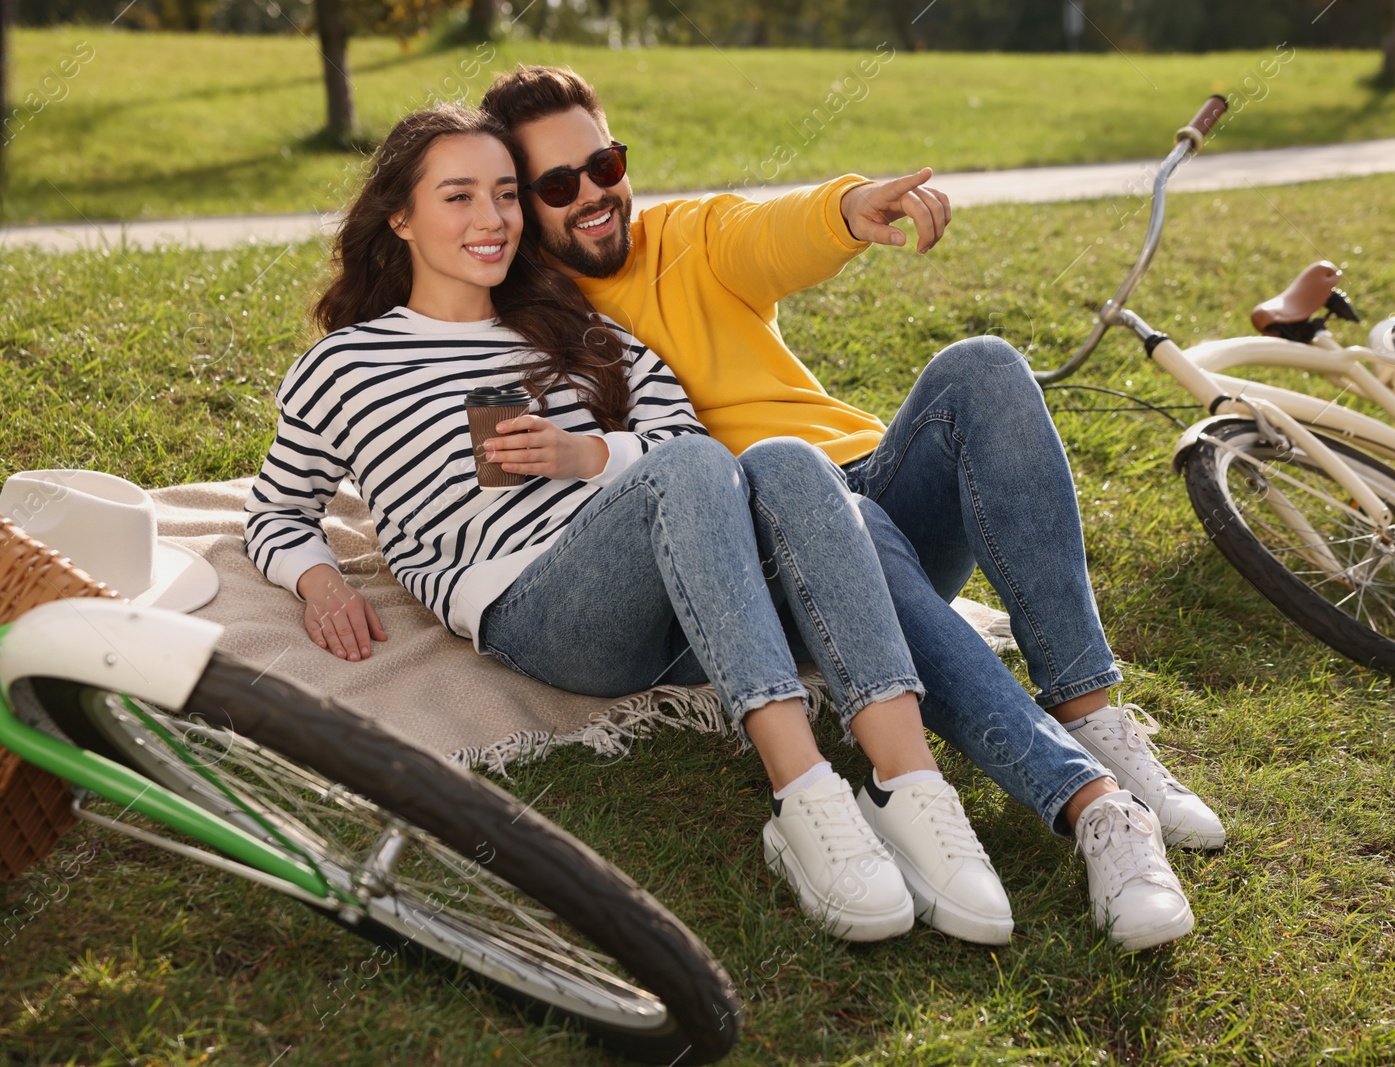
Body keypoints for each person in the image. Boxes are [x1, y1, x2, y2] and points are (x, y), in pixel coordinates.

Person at [480, 66, 1223, 952]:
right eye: (560, 185)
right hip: (769, 546)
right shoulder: (526, 327)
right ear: (520, 205)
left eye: (606, 164)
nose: (596, 195)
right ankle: (1096, 810)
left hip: (863, 476)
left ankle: (1093, 718)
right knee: (848, 521)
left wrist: (848, 209)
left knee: (982, 366)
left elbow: (769, 235)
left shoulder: (685, 235)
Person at [243, 104, 1014, 946]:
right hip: (541, 612)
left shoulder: (575, 327)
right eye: (457, 196)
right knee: (687, 472)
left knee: (791, 459)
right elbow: (280, 507)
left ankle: (911, 792)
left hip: (678, 599)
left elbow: (691, 444)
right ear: (401, 215)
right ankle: (804, 799)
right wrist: (317, 580)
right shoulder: (347, 365)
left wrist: (586, 457)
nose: (492, 219)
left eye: (505, 194)